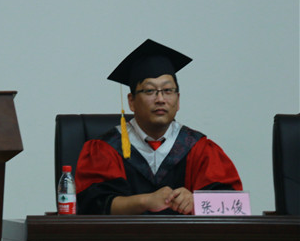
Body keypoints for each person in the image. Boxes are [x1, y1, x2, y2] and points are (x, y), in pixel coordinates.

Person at [75, 39, 242, 215]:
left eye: (168, 90)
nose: (160, 99)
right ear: (131, 101)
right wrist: (146, 201)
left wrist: (197, 202)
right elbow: (92, 207)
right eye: (149, 91)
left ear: (178, 100)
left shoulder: (200, 149)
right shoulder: (106, 149)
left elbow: (234, 205)